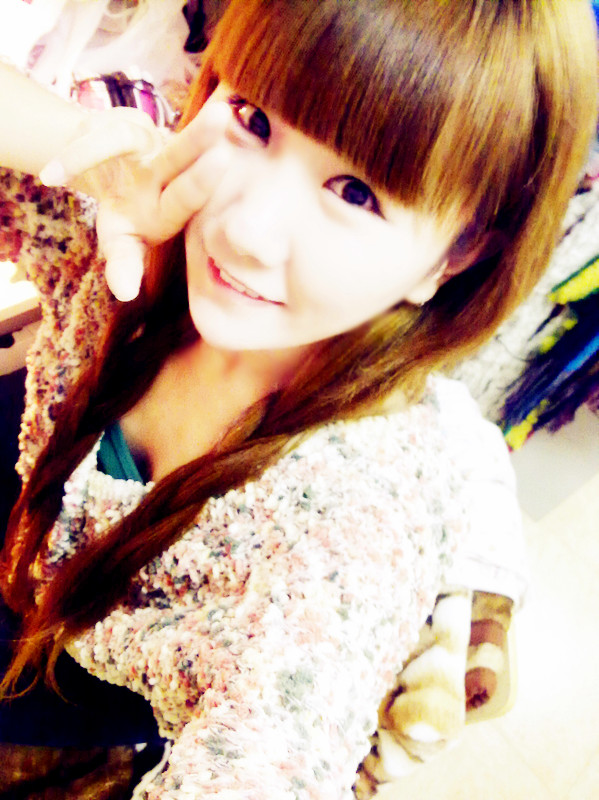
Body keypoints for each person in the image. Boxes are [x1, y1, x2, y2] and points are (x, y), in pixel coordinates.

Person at [0, 0, 596, 797]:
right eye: (253, 118)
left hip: (51, 719)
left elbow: (268, 755)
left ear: (453, 257)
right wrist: (78, 148)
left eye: (354, 193)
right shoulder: (144, 240)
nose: (245, 229)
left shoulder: (336, 543)